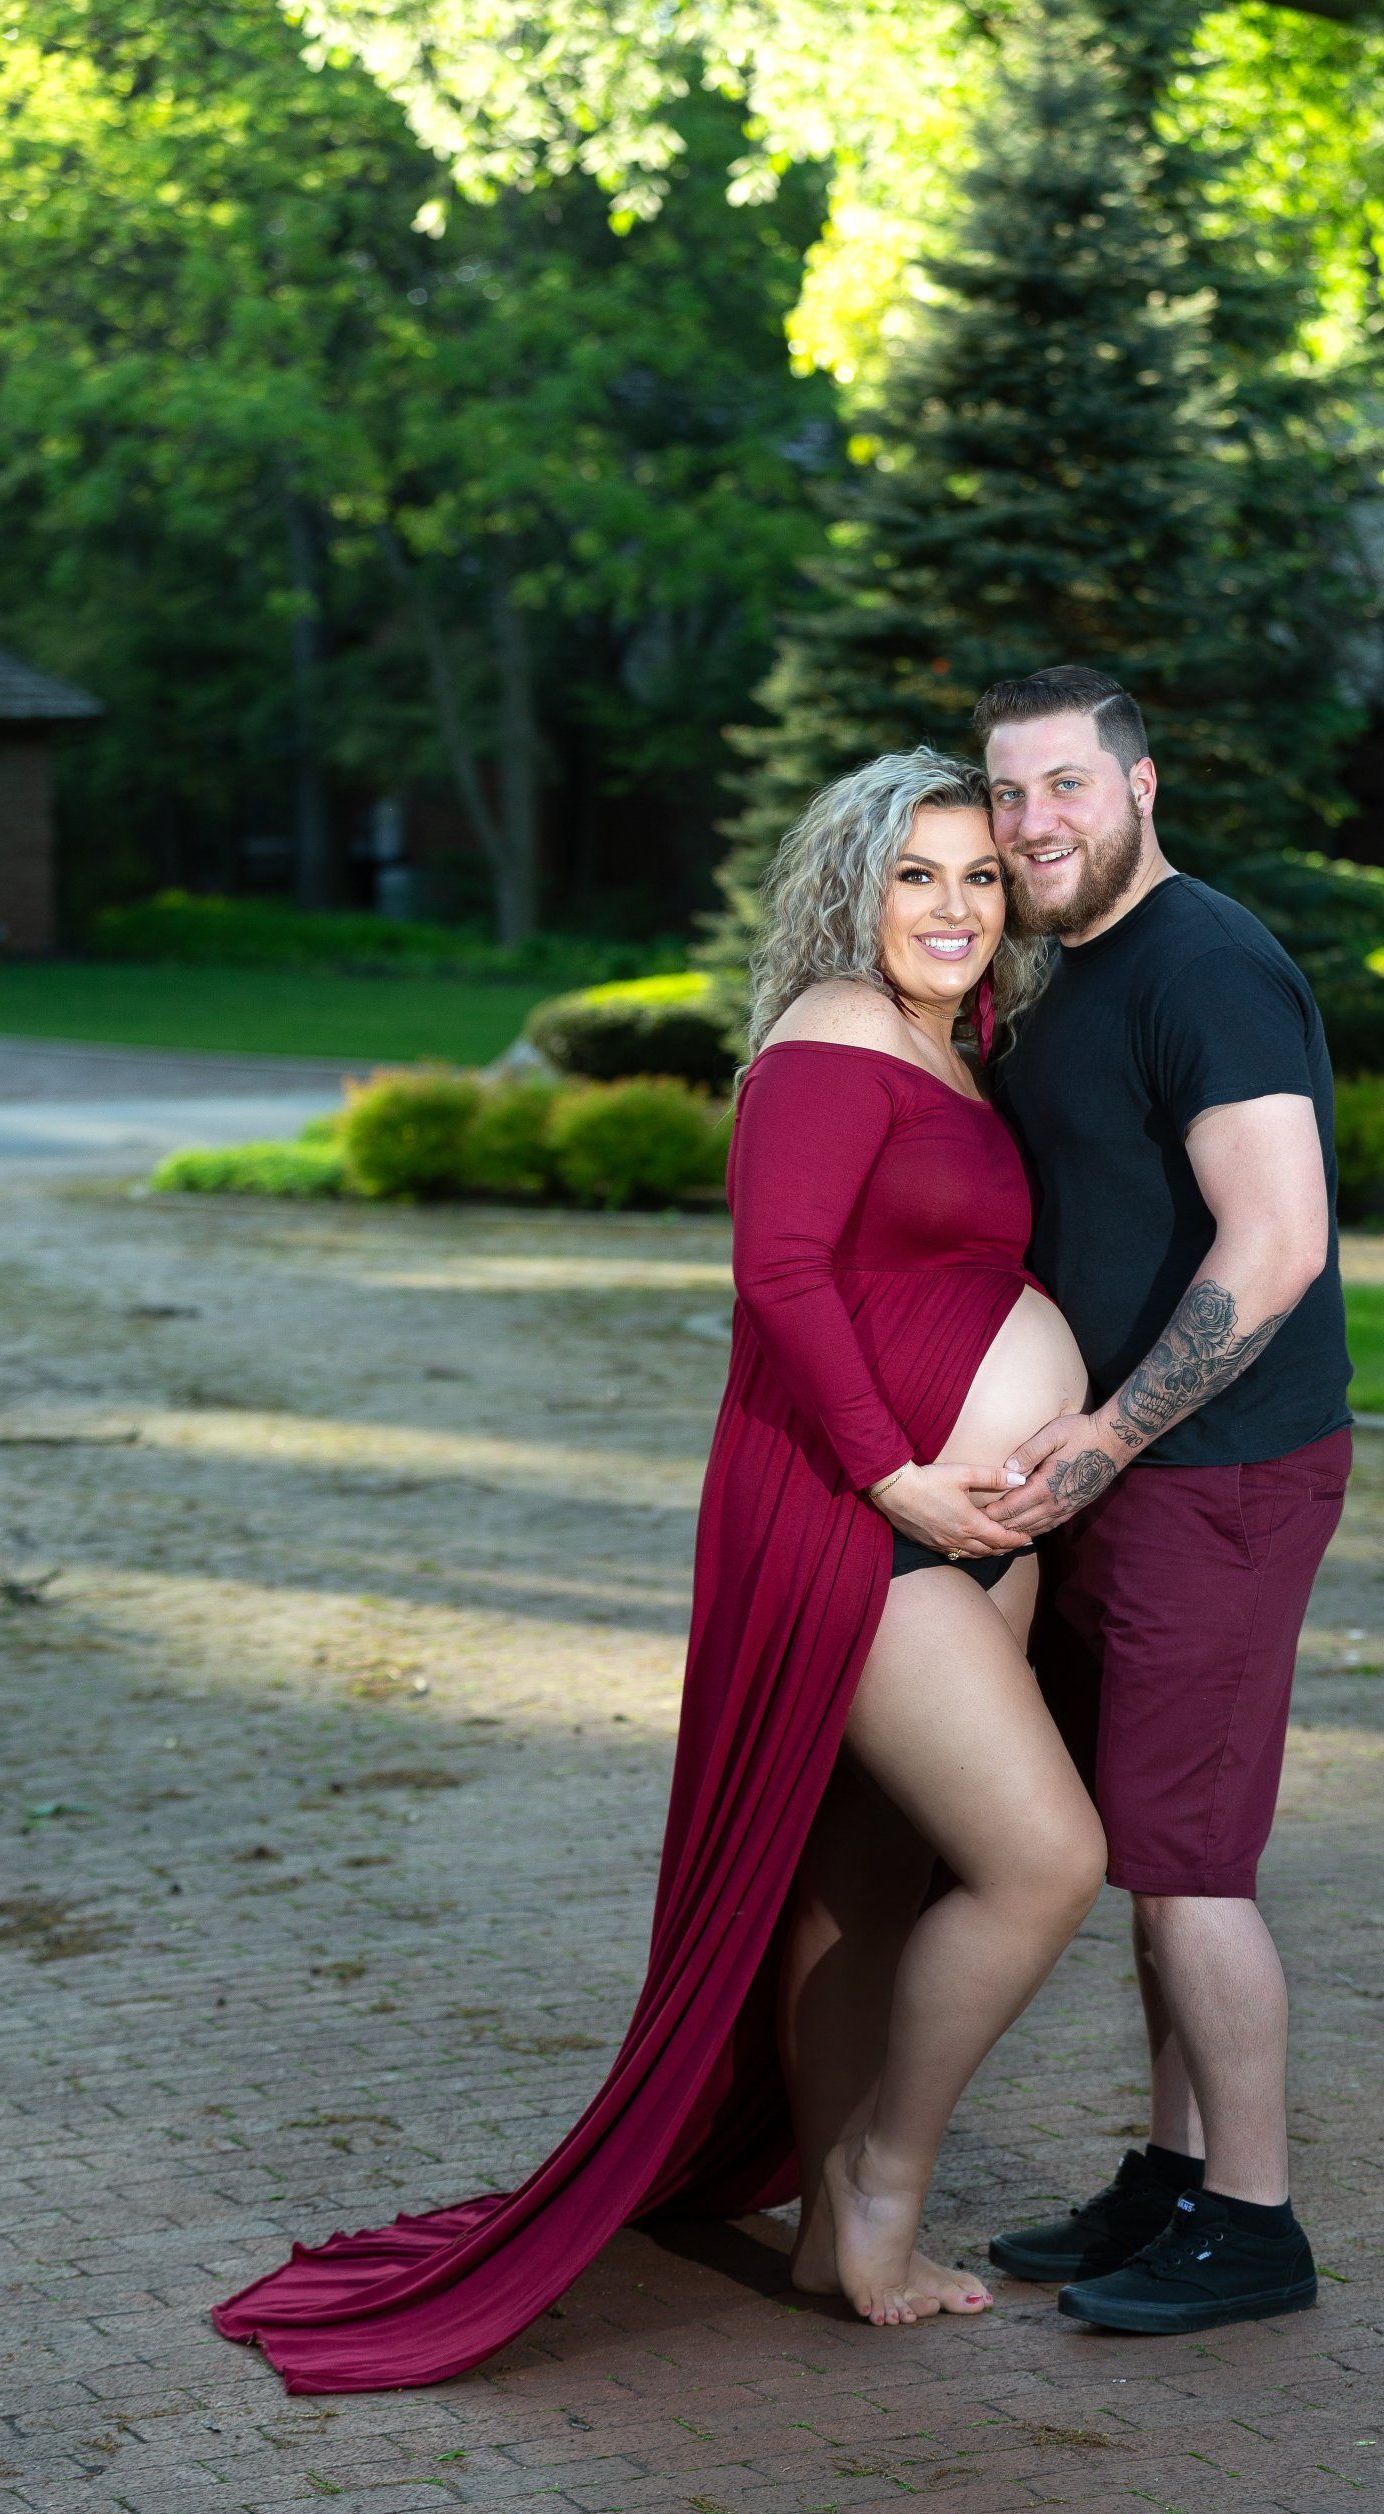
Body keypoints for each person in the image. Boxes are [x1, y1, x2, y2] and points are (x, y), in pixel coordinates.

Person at [213, 749, 1103, 2387]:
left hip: (963, 1522)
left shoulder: (954, 1045)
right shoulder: (832, 1035)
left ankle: (840, 2236)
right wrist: (899, 1474)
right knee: (1047, 1858)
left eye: (980, 876)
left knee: (868, 1876)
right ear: (853, 886)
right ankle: (886, 2183)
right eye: (918, 875)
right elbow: (775, 1274)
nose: (957, 907)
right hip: (866, 1515)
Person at [978, 664, 1353, 2336]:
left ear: (1141, 787)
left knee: (1194, 1861)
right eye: (1008, 793)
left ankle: (1256, 2223)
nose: (1033, 822)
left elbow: (1276, 1242)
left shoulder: (1205, 962)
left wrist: (1111, 1435)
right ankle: (1175, 2174)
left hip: (1220, 1471)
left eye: (1066, 785)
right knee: (1151, 1844)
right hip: (1135, 1472)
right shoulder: (1079, 972)